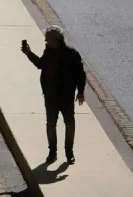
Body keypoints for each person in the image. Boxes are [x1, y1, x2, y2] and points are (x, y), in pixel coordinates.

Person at [22, 25, 86, 165]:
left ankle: (69, 153)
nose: (45, 41)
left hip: (66, 96)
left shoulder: (72, 54)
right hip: (50, 96)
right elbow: (41, 65)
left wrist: (80, 91)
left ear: (56, 40)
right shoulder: (49, 52)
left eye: (47, 39)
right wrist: (29, 53)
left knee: (69, 123)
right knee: (51, 124)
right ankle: (52, 153)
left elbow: (80, 74)